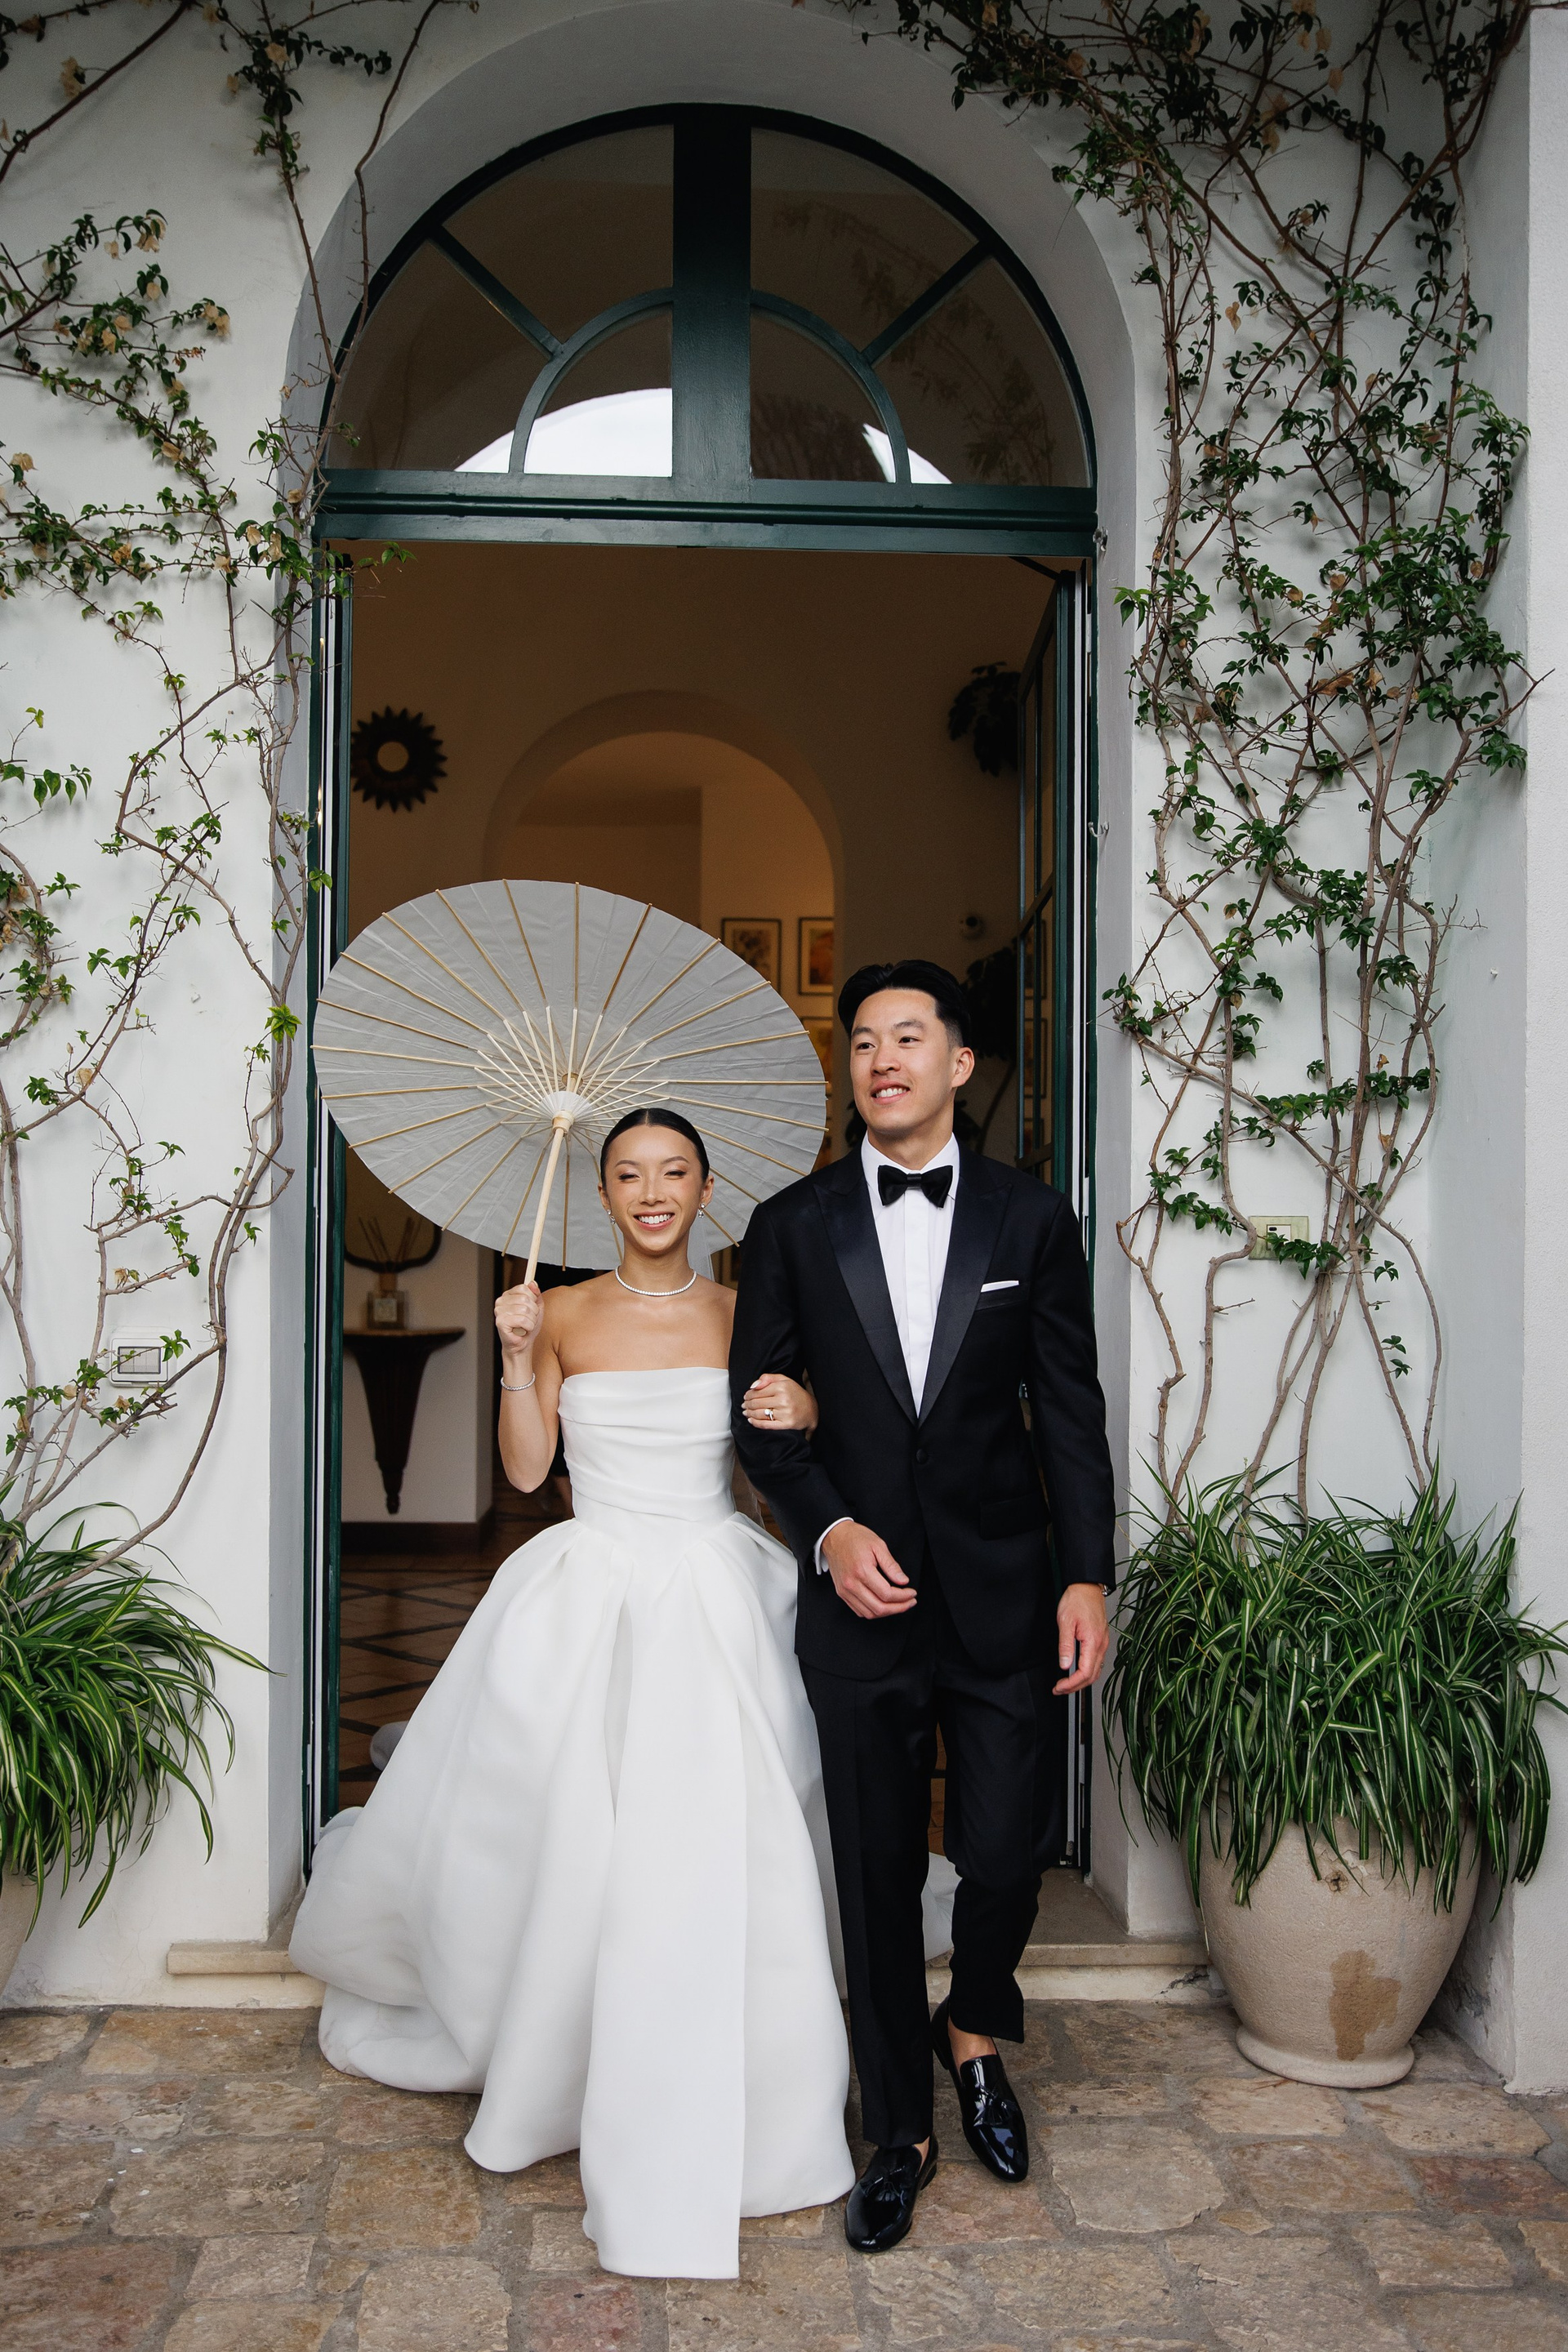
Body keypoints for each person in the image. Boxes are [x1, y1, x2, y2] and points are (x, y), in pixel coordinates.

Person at [291, 1107, 856, 2280]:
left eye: (674, 1172)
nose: (652, 1193)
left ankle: (730, 2034)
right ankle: (558, 2038)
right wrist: (516, 1357)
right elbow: (526, 1467)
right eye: (629, 1174)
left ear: (707, 1190)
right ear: (600, 1193)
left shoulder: (746, 1312)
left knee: (718, 1827)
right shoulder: (555, 1311)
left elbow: (784, 1453)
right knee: (570, 1828)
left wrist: (806, 1407)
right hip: (588, 1582)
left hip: (713, 1583)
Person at [731, 960, 1117, 2256]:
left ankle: (978, 2027)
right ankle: (897, 2130)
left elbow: (1070, 1406)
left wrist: (1087, 1573)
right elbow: (761, 1416)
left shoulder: (1030, 1218)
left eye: (907, 1037)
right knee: (877, 1873)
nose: (881, 1059)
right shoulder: (791, 1224)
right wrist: (830, 1530)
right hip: (860, 1604)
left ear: (959, 1062)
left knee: (1005, 1853)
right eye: (861, 1042)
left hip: (1006, 1593)